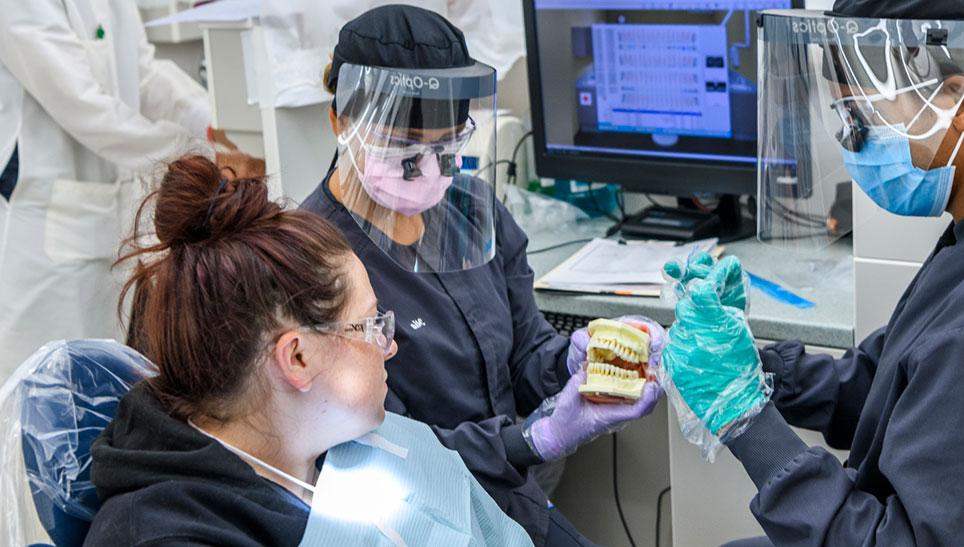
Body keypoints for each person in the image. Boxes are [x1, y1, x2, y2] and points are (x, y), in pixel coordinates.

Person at [662, 1, 964, 545]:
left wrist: (746, 419)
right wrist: (756, 368)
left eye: (860, 117)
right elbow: (901, 381)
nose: (851, 142)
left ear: (958, 102)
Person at [300, 6, 664, 545]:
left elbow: (520, 352)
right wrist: (530, 440)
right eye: (403, 149)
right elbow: (385, 449)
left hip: (512, 492)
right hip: (419, 515)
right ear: (339, 121)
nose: (427, 168)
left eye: (446, 147)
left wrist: (570, 358)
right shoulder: (311, 262)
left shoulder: (473, 213)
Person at [85, 155, 531, 546]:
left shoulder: (335, 449)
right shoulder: (164, 534)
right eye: (372, 324)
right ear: (298, 358)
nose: (389, 345)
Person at [0, 0, 262, 380]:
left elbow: (144, 73)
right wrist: (199, 152)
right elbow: (82, 103)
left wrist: (211, 120)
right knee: (43, 389)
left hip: (103, 215)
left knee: (104, 381)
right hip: (46, 233)